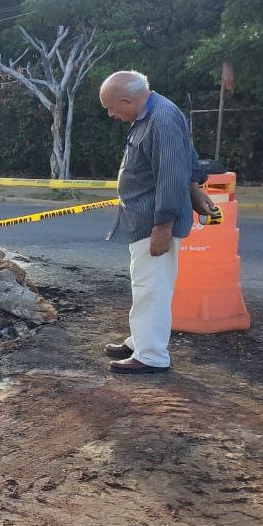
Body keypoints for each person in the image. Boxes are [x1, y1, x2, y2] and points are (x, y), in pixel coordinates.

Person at [99, 70, 215, 375]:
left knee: (153, 286)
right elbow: (185, 157)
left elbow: (171, 175)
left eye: (111, 108)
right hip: (144, 219)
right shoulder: (151, 113)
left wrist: (163, 227)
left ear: (127, 99)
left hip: (155, 222)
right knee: (145, 283)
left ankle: (151, 356)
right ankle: (141, 340)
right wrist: (195, 189)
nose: (111, 115)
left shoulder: (160, 120)